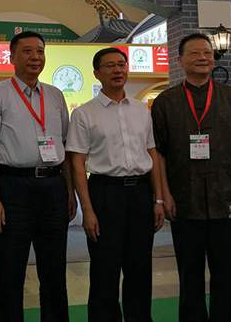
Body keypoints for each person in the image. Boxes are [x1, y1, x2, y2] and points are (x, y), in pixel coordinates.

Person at [151, 33, 231, 322]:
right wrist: (164, 195)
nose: (202, 58)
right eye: (194, 53)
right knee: (190, 276)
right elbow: (158, 153)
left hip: (226, 200)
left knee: (227, 275)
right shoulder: (165, 101)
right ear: (180, 60)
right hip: (185, 202)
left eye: (207, 53)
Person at [0, 31, 75, 322]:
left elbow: (65, 146)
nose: (35, 57)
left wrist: (69, 192)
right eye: (27, 51)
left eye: (40, 51)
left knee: (54, 270)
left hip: (53, 186)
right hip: (12, 188)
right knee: (10, 270)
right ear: (12, 57)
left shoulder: (55, 95)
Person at [66, 47, 165, 322]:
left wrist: (158, 199)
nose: (118, 70)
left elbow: (152, 153)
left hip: (140, 193)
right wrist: (87, 210)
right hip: (105, 193)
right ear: (97, 73)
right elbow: (77, 163)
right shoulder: (84, 113)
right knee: (104, 269)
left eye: (121, 64)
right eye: (110, 65)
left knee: (140, 268)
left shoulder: (141, 110)